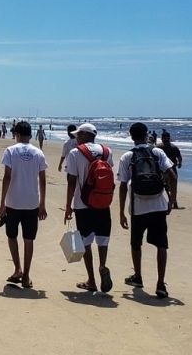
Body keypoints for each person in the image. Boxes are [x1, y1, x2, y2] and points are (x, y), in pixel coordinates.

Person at [118, 122, 177, 299]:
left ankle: (138, 277)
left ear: (131, 136)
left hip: (138, 208)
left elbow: (122, 185)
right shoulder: (157, 152)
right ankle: (160, 284)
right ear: (147, 135)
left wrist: (121, 211)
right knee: (161, 245)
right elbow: (172, 176)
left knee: (136, 244)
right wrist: (172, 200)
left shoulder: (127, 156)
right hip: (158, 206)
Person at [64, 123, 114, 293]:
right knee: (102, 239)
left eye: (78, 135)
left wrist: (68, 206)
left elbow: (71, 181)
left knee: (86, 242)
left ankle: (91, 280)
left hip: (82, 203)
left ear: (86, 135)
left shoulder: (75, 153)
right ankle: (103, 265)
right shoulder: (107, 151)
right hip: (103, 202)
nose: (76, 138)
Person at [0, 121, 47, 289]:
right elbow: (42, 180)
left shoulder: (11, 151)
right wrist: (42, 204)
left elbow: (7, 177)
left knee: (12, 236)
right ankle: (25, 275)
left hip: (13, 202)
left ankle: (17, 268)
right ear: (30, 134)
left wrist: (2, 203)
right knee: (29, 239)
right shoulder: (38, 153)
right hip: (32, 203)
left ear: (17, 134)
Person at [159, 130, 183, 209]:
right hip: (169, 170)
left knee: (166, 187)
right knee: (173, 187)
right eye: (165, 139)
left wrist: (180, 163)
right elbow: (179, 157)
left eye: (166, 139)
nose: (166, 140)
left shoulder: (158, 147)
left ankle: (171, 202)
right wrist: (179, 163)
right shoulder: (173, 147)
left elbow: (179, 157)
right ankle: (173, 203)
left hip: (164, 170)